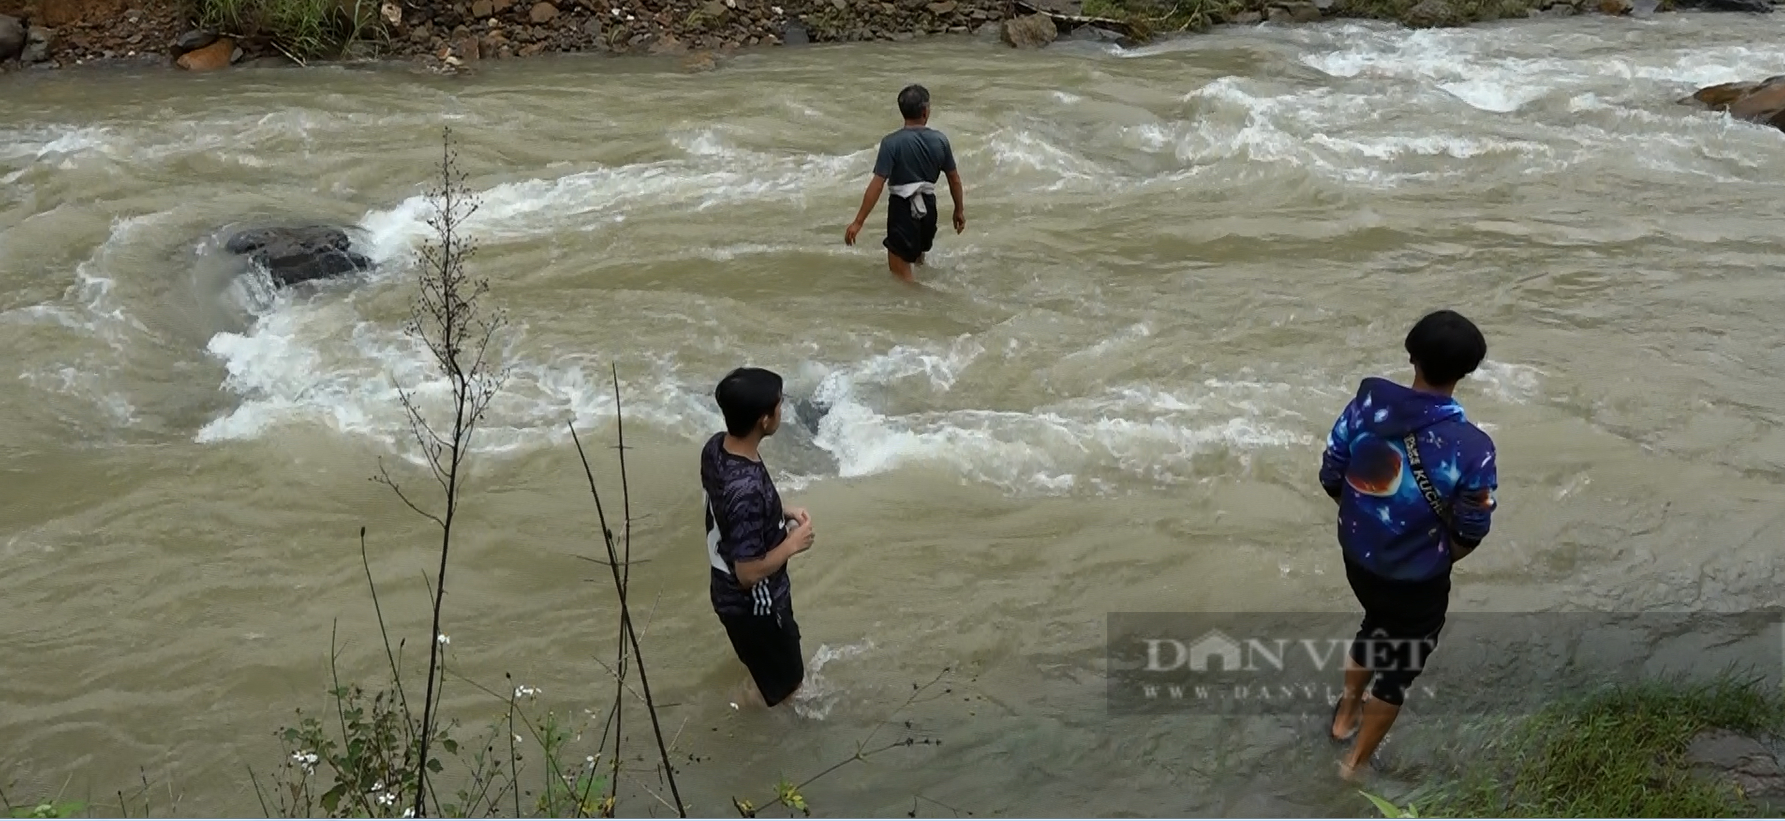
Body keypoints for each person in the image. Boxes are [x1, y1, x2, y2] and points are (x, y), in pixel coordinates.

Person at [1317, 310, 1499, 781]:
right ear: (1467, 372)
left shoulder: (1367, 404)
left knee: (1375, 626)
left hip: (1358, 558)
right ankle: (1353, 764)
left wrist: (1364, 520)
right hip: (1417, 578)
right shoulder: (1472, 446)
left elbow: (1332, 470)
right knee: (1399, 669)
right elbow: (1472, 527)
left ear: (1411, 355)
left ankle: (1344, 717)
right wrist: (1439, 557)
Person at [701, 367, 816, 708]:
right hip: (757, 608)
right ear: (764, 421)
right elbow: (748, 573)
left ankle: (752, 697)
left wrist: (779, 511)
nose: (782, 410)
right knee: (788, 689)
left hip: (726, 594)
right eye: (779, 405)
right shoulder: (747, 489)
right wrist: (792, 545)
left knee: (765, 674)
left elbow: (729, 509)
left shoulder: (716, 448)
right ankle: (748, 723)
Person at [844, 83, 966, 284]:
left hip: (902, 211)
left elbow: (877, 184)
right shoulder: (940, 140)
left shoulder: (891, 143)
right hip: (928, 209)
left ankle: (924, 306)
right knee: (918, 263)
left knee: (902, 280)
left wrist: (858, 222)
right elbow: (954, 179)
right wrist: (959, 210)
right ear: (925, 111)